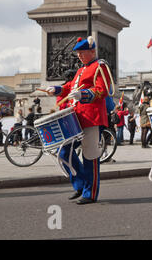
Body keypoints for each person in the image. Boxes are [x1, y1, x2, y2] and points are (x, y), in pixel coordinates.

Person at [46, 36, 113, 205]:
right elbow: (71, 87)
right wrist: (57, 89)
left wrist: (84, 94)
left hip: (91, 117)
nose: (79, 56)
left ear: (92, 51)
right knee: (64, 152)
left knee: (90, 156)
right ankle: (81, 184)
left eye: (82, 52)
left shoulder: (100, 66)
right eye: (78, 53)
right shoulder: (81, 70)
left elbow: (102, 90)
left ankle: (90, 193)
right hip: (76, 118)